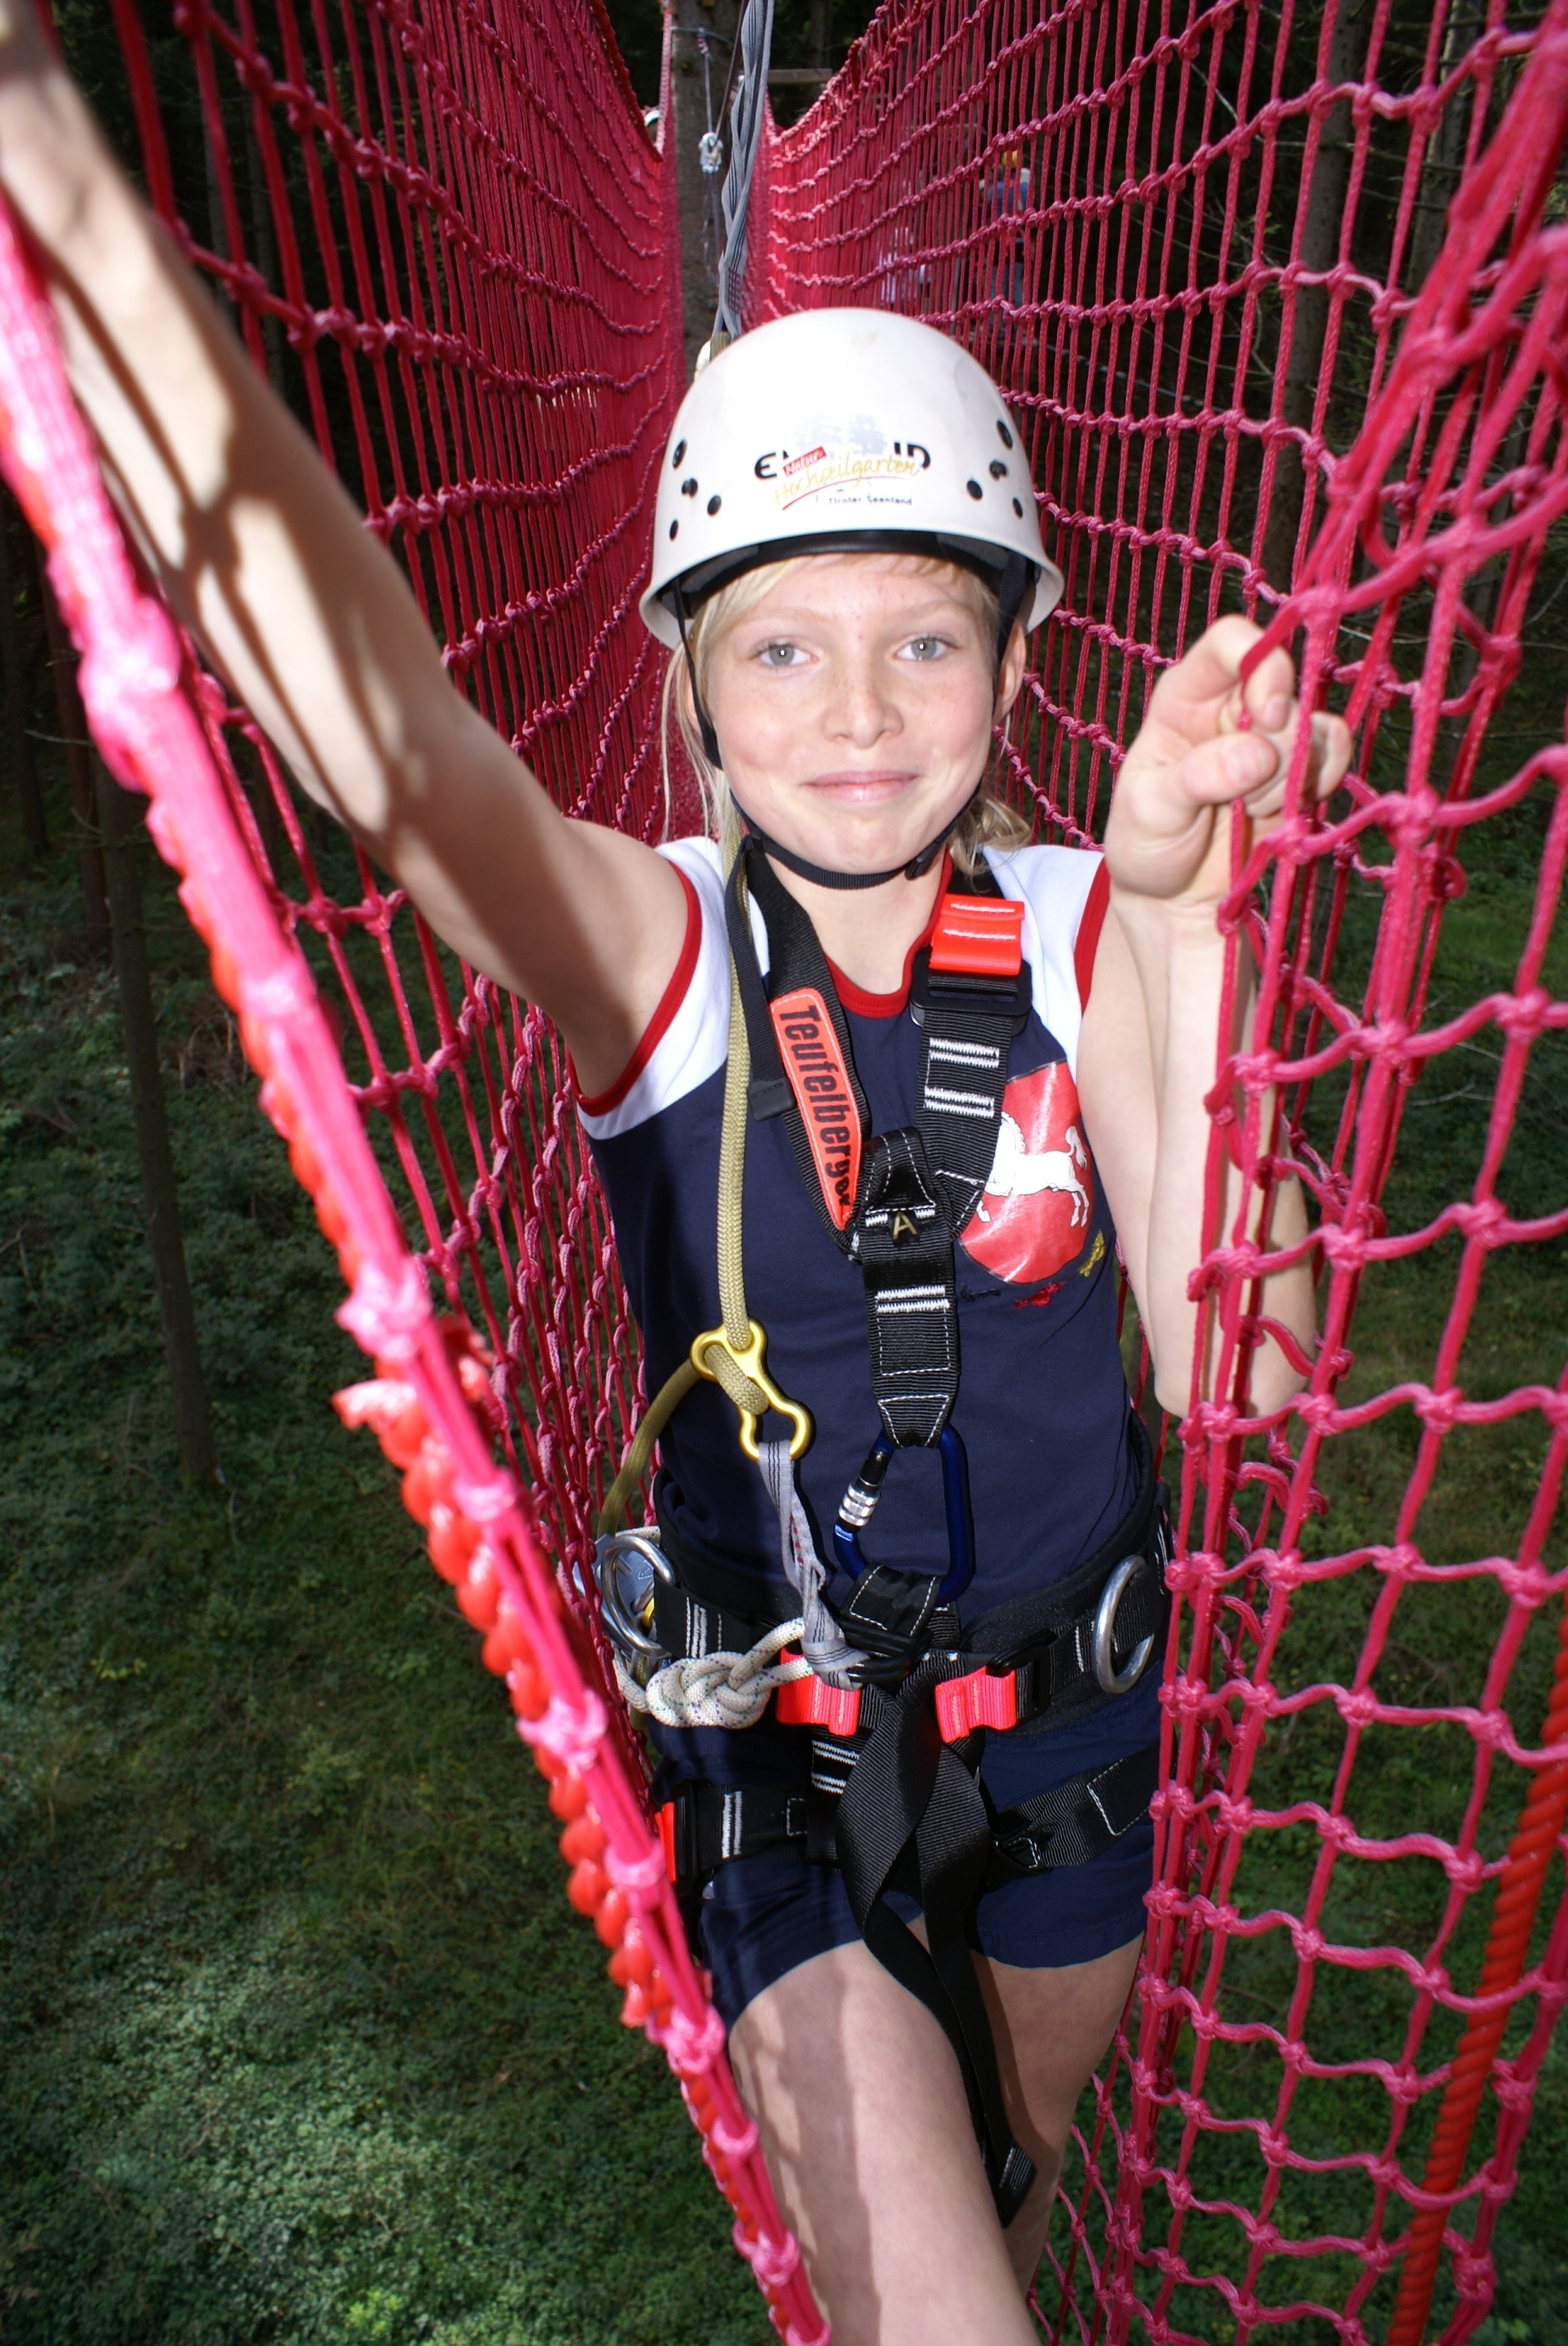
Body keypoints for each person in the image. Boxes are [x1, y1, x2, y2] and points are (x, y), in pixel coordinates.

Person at [0, 15, 1350, 2340]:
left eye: (925, 635)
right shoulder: (661, 952)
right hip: (784, 1794)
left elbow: (1267, 1359)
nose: (855, 713)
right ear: (691, 690)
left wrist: (1187, 915)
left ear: (1014, 658)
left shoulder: (1084, 922)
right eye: (783, 647)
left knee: (1028, 2187)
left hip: (1084, 1757)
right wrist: (73, 204)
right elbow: (400, 756)